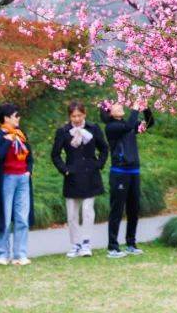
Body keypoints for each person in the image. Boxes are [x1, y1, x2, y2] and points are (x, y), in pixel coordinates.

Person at [50, 100, 107, 258]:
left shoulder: (93, 128)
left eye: (79, 115)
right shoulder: (63, 131)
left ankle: (86, 243)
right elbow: (55, 154)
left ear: (84, 114)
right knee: (72, 214)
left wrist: (98, 165)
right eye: (73, 116)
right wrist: (65, 170)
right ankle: (75, 244)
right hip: (73, 175)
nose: (76, 119)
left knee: (88, 211)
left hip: (90, 174)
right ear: (69, 116)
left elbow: (104, 148)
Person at [101, 103, 154, 258]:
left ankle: (131, 243)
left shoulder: (128, 125)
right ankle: (112, 247)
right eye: (114, 106)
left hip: (134, 171)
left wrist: (145, 108)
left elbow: (150, 123)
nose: (119, 105)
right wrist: (136, 107)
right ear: (110, 113)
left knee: (133, 208)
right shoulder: (111, 127)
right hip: (119, 172)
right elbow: (130, 124)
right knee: (117, 209)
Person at [0, 102, 34, 266]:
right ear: (6, 118)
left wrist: (28, 170)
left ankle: (20, 254)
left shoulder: (21, 134)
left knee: (22, 217)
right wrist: (7, 141)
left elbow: (29, 156)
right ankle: (2, 254)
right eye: (15, 115)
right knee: (4, 218)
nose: (18, 118)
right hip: (6, 179)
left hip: (22, 178)